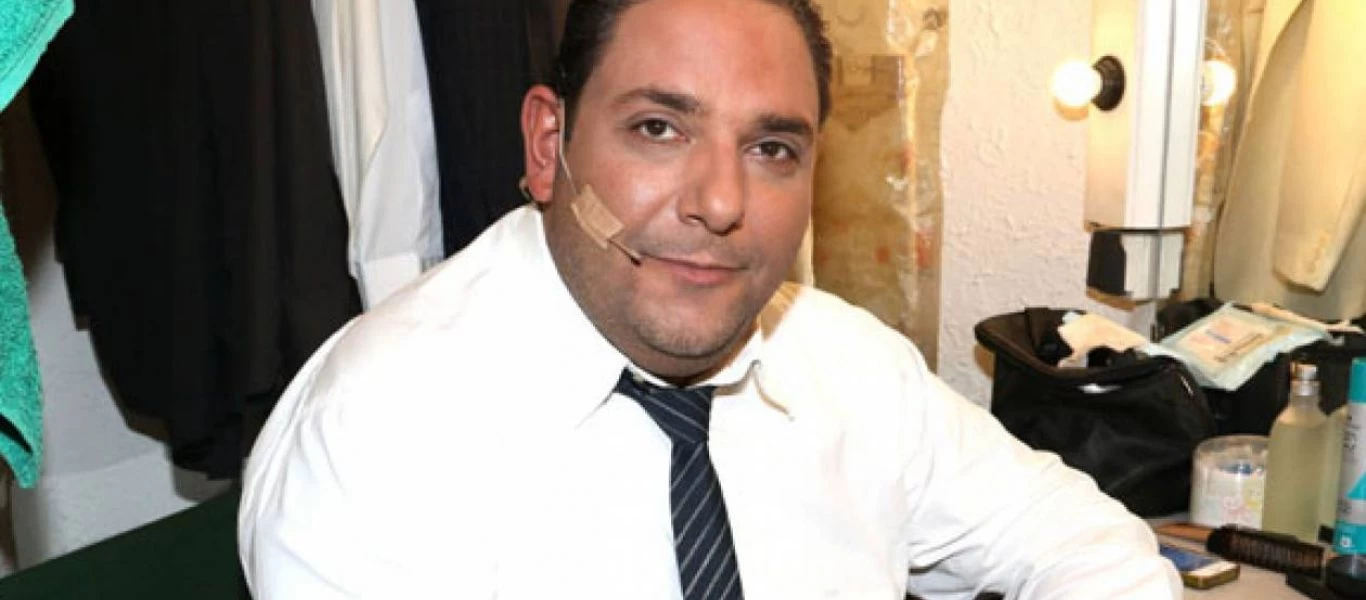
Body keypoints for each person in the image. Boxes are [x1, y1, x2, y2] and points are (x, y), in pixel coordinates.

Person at [237, 0, 1182, 597]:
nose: (722, 203)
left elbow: (1087, 545)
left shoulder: (848, 367)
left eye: (771, 149)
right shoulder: (373, 436)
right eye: (659, 128)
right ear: (548, 146)